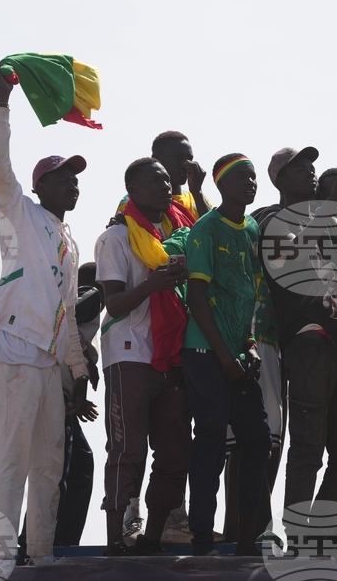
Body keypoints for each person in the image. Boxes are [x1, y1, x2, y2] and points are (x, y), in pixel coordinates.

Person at [0, 71, 92, 579]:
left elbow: (67, 314)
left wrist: (77, 367)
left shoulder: (69, 243)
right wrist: (3, 102)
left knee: (50, 465)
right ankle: (5, 560)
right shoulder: (18, 213)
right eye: (65, 177)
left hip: (49, 364)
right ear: (41, 183)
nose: (74, 185)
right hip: (15, 350)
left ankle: (41, 557)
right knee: (12, 460)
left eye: (76, 179)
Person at [258, 147, 337, 529]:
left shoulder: (329, 220)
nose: (311, 173)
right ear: (279, 181)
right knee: (307, 449)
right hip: (306, 342)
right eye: (299, 169)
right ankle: (297, 534)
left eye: (312, 168)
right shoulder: (271, 219)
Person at [95, 157, 194, 555]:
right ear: (132, 191)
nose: (164, 186)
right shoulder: (116, 237)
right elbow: (114, 303)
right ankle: (114, 539)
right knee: (127, 449)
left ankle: (152, 538)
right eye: (154, 181)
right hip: (129, 352)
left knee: (174, 451)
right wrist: (155, 283)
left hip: (170, 353)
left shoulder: (176, 234)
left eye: (168, 180)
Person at [182, 154, 272, 556]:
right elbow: (197, 299)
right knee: (211, 441)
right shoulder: (206, 229)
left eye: (253, 178)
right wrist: (224, 356)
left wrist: (249, 345)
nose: (250, 183)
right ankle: (201, 538)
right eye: (241, 178)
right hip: (206, 353)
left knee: (256, 440)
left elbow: (251, 296)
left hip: (239, 355)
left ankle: (247, 538)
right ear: (221, 185)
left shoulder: (252, 228)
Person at [16, 263, 102, 557]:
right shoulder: (90, 296)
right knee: (59, 473)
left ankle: (57, 540)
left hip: (60, 394)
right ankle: (42, 542)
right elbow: (68, 328)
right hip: (56, 396)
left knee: (77, 465)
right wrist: (84, 368)